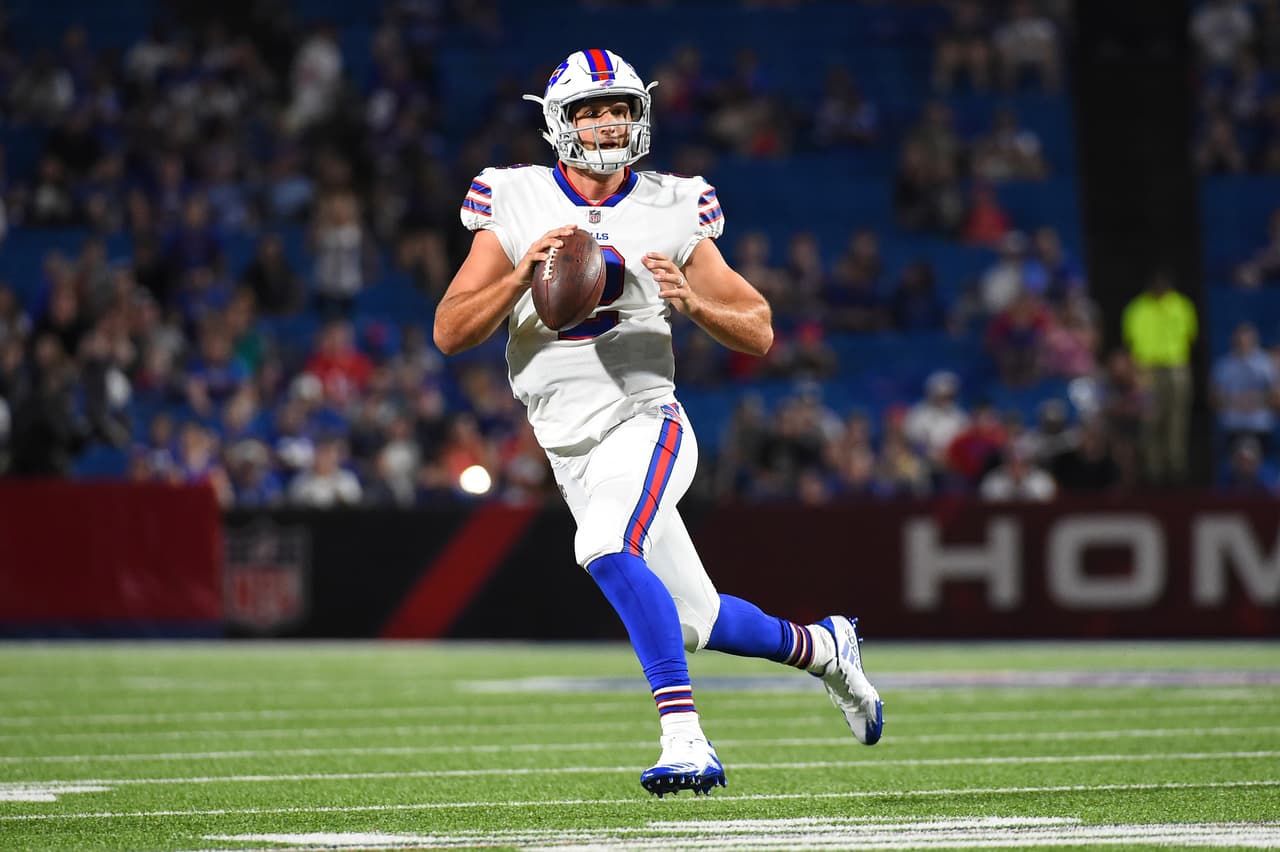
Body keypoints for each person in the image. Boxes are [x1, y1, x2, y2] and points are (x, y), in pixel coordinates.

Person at [433, 49, 882, 798]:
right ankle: (825, 647)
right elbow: (450, 331)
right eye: (592, 110)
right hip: (568, 446)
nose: (610, 121)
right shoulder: (511, 199)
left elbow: (760, 327)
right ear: (558, 123)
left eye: (620, 108)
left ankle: (685, 739)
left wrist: (695, 304)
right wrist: (521, 274)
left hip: (646, 421)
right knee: (697, 621)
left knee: (603, 544)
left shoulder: (675, 202)